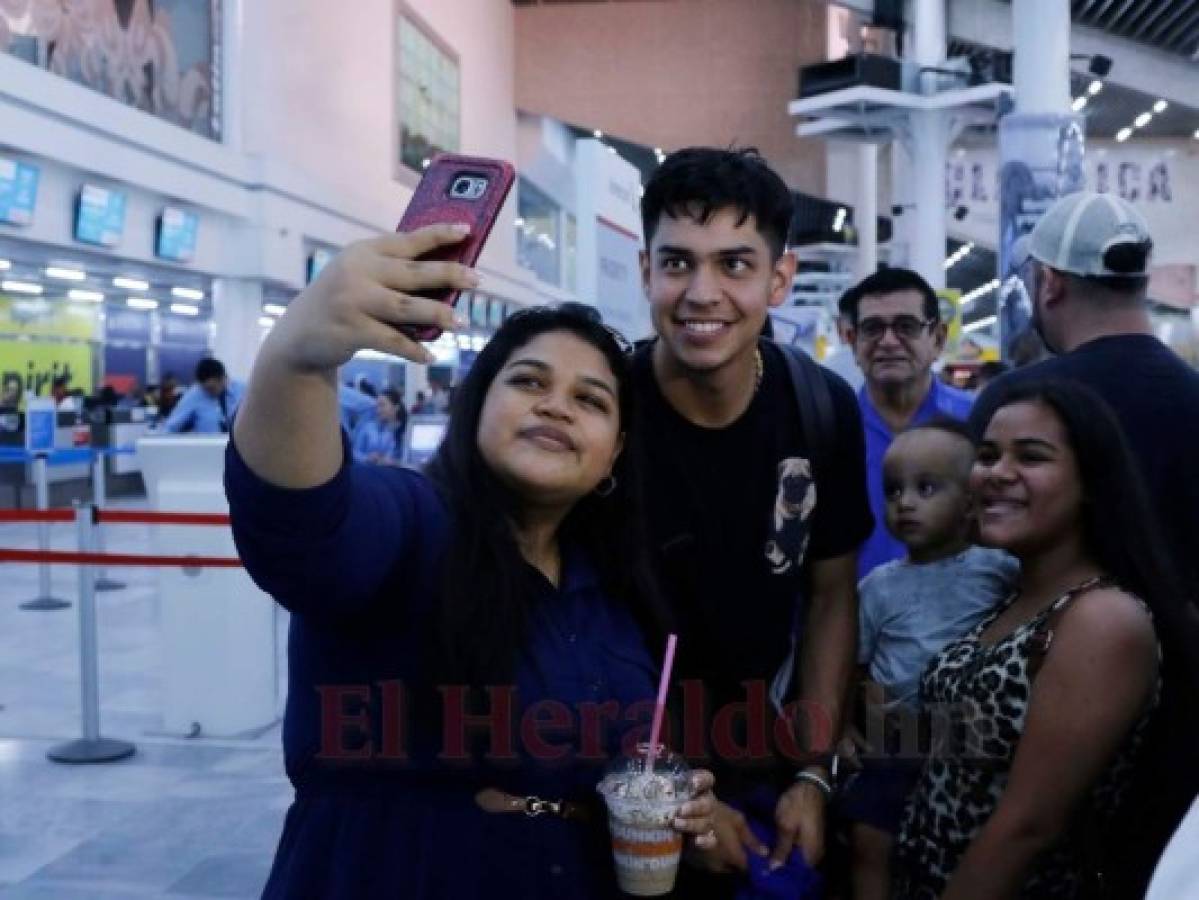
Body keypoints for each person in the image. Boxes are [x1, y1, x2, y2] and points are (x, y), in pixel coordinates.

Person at [226, 225, 717, 899]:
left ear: (614, 452)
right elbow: (302, 533)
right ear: (477, 406)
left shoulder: (608, 590)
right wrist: (297, 361)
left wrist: (674, 797)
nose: (555, 404)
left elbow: (616, 755)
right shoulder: (413, 524)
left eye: (590, 400)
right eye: (528, 381)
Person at [632, 147, 873, 894]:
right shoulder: (601, 406)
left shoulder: (820, 407)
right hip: (613, 763)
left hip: (763, 758)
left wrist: (812, 770)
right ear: (645, 272)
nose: (701, 293)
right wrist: (665, 794)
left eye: (734, 265)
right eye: (676, 264)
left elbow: (831, 592)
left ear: (779, 278)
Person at [972, 191, 1199, 891]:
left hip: (1019, 726)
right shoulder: (1194, 398)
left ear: (1048, 283)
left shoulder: (1015, 406)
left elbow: (976, 576)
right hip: (1178, 736)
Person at [896, 379, 1190, 899]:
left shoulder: (1102, 619)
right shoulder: (1009, 593)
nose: (997, 473)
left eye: (1031, 457)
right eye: (987, 456)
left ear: (1091, 482)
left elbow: (1028, 828)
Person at [839, 420, 1018, 900]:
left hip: (971, 742)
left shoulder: (999, 570)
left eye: (927, 487)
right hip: (895, 739)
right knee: (870, 837)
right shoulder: (878, 586)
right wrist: (846, 729)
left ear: (969, 504)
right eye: (893, 489)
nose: (905, 502)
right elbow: (853, 666)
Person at [840, 268, 974, 580]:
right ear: (852, 341)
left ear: (938, 338)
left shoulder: (980, 423)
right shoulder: (831, 428)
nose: (888, 342)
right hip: (855, 619)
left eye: (906, 326)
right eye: (872, 328)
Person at [161, 358, 244, 433]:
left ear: (223, 378)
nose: (209, 392)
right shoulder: (195, 394)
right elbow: (171, 426)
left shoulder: (243, 390)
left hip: (241, 446)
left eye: (212, 388)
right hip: (209, 447)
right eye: (206, 389)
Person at [350, 387, 406, 465]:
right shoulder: (368, 428)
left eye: (382, 405)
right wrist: (367, 458)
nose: (378, 410)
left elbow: (409, 459)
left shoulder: (405, 431)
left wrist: (395, 462)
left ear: (396, 407)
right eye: (377, 406)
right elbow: (354, 453)